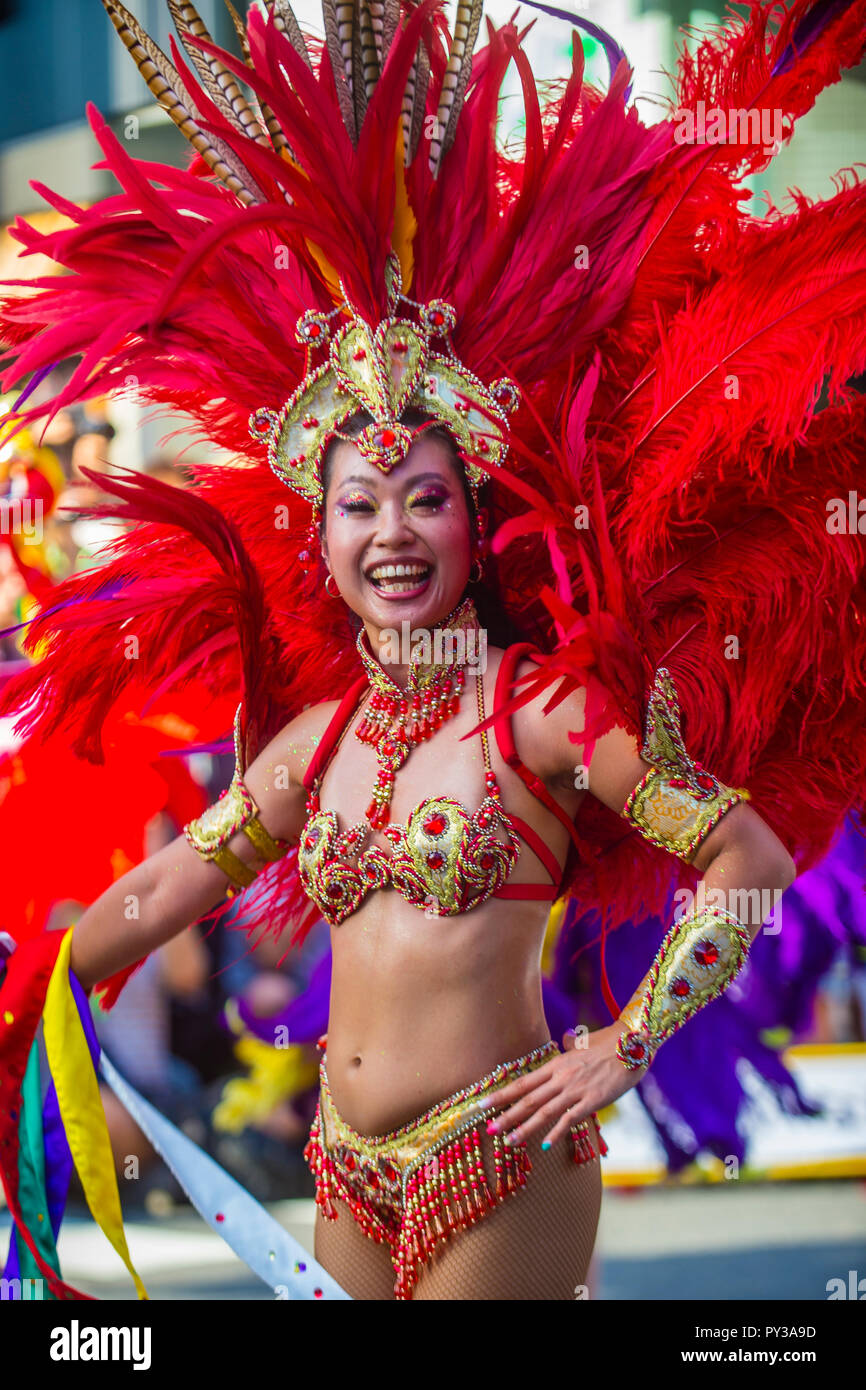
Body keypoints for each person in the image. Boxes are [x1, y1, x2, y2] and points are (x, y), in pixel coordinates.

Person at [0, 0, 864, 1302]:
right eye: (360, 502)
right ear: (323, 531)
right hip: (342, 1166)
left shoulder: (544, 713)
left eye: (424, 497)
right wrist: (38, 994)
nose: (392, 532)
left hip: (503, 1145)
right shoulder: (316, 744)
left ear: (473, 521)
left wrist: (623, 1047)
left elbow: (739, 855)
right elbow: (165, 889)